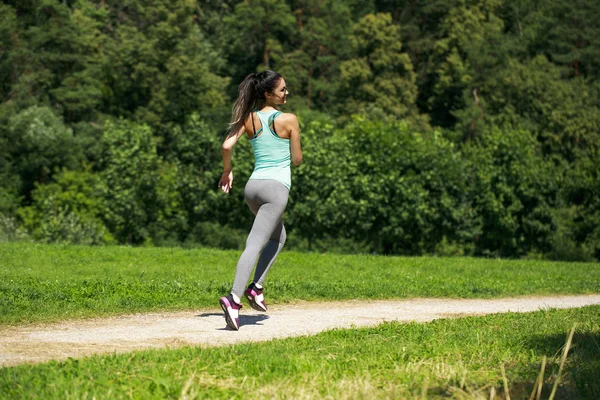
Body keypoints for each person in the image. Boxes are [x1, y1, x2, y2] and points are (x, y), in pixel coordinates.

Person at [218, 70, 303, 331]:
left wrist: (227, 171)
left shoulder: (248, 118)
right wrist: (292, 149)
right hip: (276, 190)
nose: (286, 93)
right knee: (255, 244)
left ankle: (256, 287)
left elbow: (226, 146)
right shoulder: (289, 119)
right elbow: (297, 159)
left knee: (278, 237)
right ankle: (233, 299)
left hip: (252, 189)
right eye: (282, 90)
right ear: (268, 94)